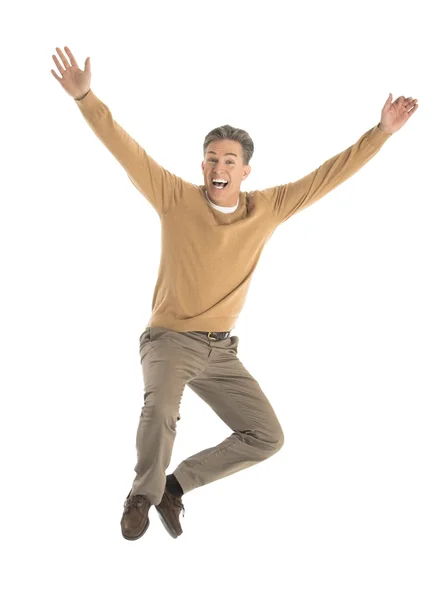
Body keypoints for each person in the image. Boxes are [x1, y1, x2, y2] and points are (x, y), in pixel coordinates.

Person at [51, 46, 419, 541]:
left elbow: (327, 176)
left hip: (221, 351)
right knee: (161, 410)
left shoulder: (267, 207)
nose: (217, 167)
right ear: (201, 166)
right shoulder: (175, 198)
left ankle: (174, 487)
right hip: (169, 340)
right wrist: (86, 97)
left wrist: (382, 133)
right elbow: (125, 147)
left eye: (229, 160)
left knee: (267, 437)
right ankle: (142, 494)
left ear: (245, 170)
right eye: (210, 159)